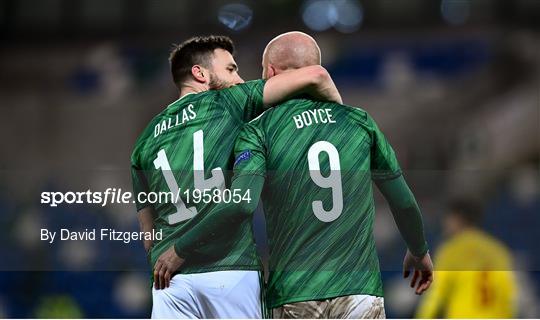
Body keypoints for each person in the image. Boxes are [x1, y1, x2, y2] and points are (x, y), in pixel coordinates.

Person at [173, 31, 433, 319]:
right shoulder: (359, 122)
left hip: (295, 294)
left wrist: (182, 247)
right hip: (359, 292)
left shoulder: (259, 131)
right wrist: (418, 250)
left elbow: (240, 203)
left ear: (271, 72)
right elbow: (404, 202)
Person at [131, 35, 342, 318]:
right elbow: (315, 75)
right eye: (231, 69)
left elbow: (149, 238)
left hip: (170, 280)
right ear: (200, 73)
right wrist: (343, 125)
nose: (240, 79)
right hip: (230, 269)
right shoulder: (226, 102)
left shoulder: (144, 141)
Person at [416, 199, 517, 318]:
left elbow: (436, 294)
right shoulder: (498, 250)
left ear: (458, 219)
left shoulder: (451, 250)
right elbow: (509, 295)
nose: (444, 223)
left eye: (448, 218)